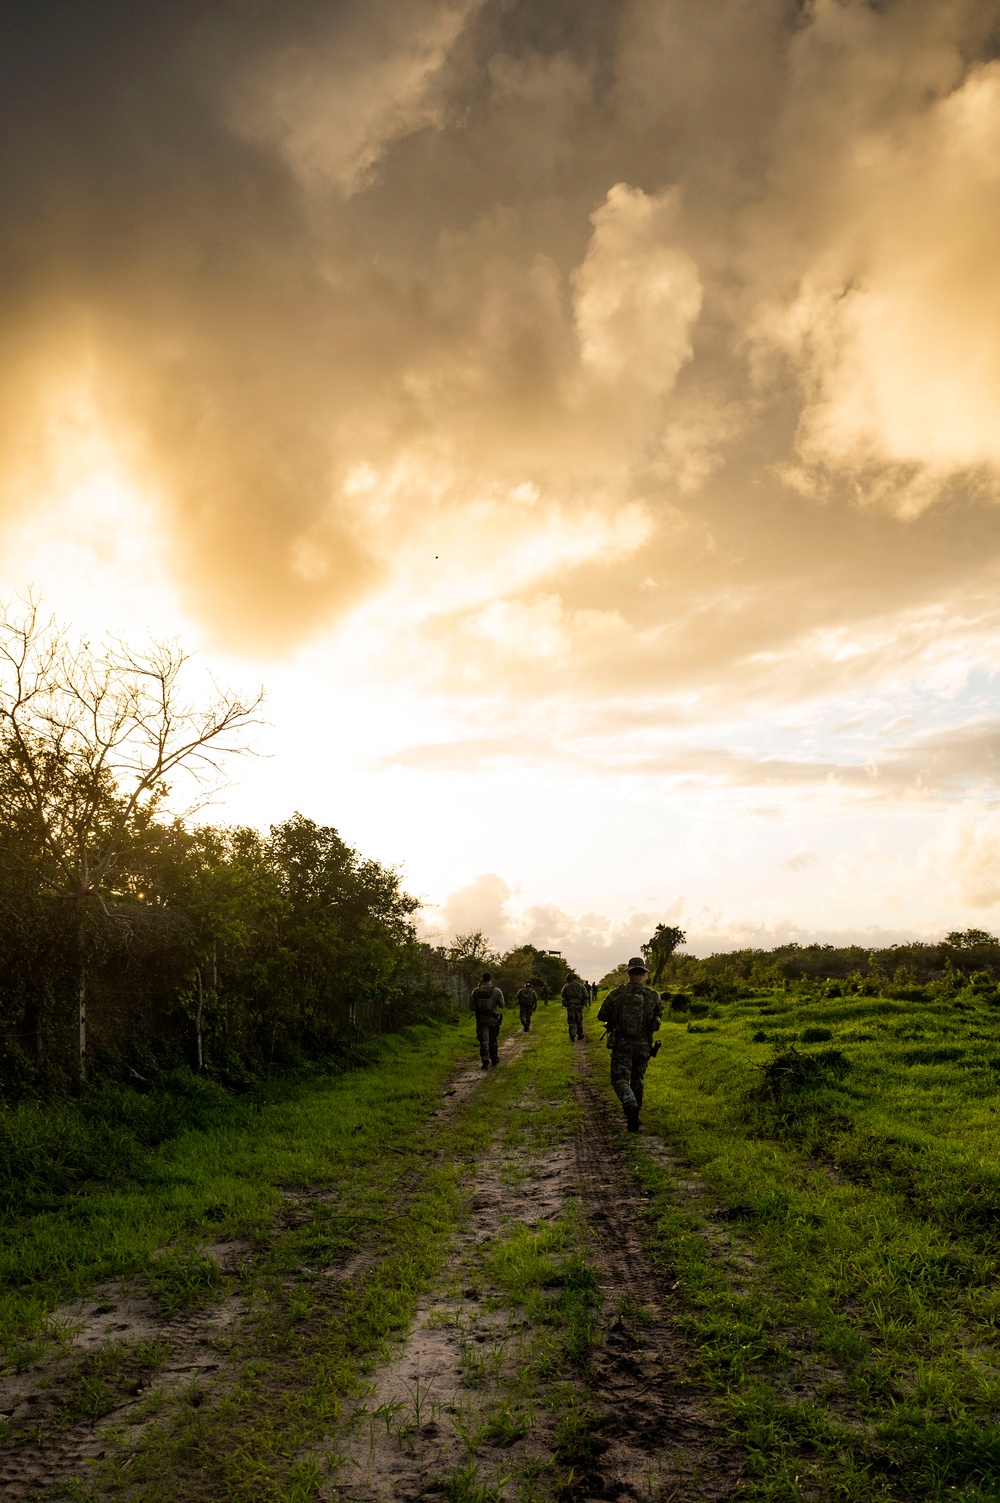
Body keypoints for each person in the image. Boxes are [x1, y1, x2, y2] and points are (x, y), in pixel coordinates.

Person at [597, 957, 662, 1132]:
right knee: (638, 1080)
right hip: (643, 1045)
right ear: (643, 974)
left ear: (629, 973)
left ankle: (630, 1105)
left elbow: (601, 1016)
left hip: (622, 1044)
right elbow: (658, 1017)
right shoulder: (653, 995)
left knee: (619, 1079)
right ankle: (636, 1115)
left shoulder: (616, 994)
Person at [470, 971, 504, 1068]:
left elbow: (470, 1006)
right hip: (493, 1019)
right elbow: (502, 1005)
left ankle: (485, 1060)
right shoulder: (496, 991)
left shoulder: (476, 991)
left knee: (484, 1040)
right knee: (493, 1039)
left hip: (481, 1019)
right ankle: (494, 1059)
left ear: (482, 979)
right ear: (490, 979)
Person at [560, 971, 589, 1042]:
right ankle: (580, 1034)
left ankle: (572, 1035)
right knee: (579, 1020)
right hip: (579, 1006)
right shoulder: (581, 986)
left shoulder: (566, 986)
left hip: (570, 1006)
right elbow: (586, 995)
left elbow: (562, 995)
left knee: (571, 1021)